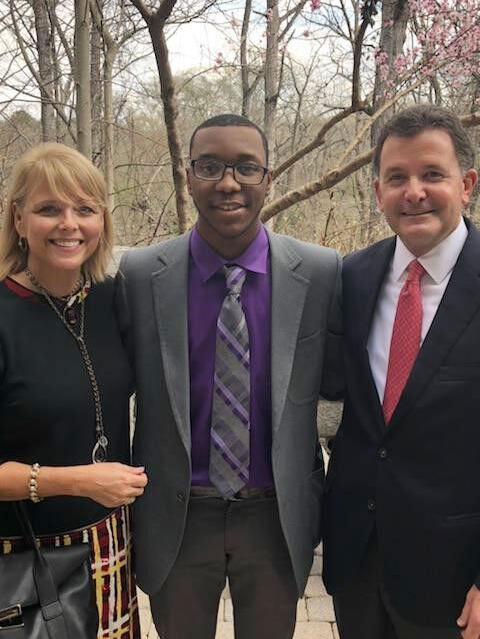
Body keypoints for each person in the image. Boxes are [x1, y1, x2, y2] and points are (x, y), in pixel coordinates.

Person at [116, 113, 342, 639]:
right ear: (187, 174)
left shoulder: (321, 272)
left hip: (274, 515)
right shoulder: (141, 274)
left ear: (268, 178)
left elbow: (342, 384)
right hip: (177, 514)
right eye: (210, 166)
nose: (227, 182)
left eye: (245, 167)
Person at [322, 104, 480, 639]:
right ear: (377, 192)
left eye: (432, 174)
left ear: (467, 185)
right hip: (358, 562)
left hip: (454, 578)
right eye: (397, 178)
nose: (413, 191)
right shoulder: (354, 277)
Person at [0, 143, 148, 638]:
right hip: (24, 554)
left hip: (108, 542)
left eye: (85, 209)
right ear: (19, 220)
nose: (69, 224)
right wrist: (77, 481)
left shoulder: (109, 296)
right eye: (49, 209)